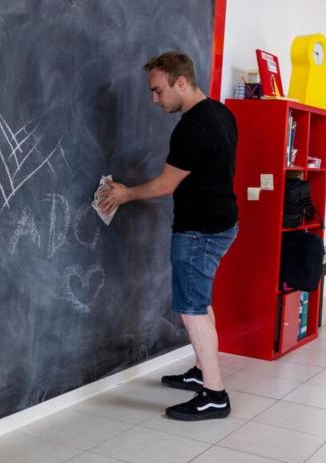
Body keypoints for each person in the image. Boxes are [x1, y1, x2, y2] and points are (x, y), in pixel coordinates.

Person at [98, 51, 238, 421]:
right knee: (200, 303)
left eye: (158, 91)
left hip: (199, 232)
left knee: (192, 312)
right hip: (221, 223)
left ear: (180, 81)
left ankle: (214, 395)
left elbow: (165, 183)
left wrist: (125, 194)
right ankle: (201, 372)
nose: (155, 100)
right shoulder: (222, 113)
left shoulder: (192, 127)